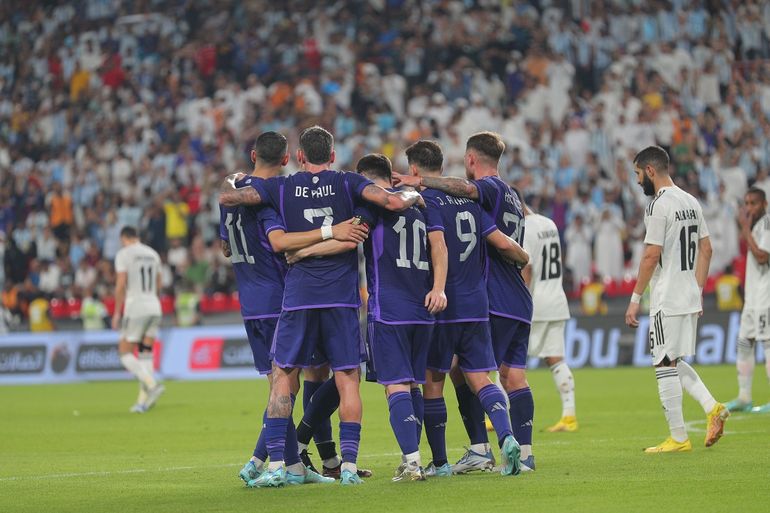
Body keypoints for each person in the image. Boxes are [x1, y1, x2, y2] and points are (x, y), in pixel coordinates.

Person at [219, 125, 424, 486]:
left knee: (283, 377)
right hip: (341, 298)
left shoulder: (280, 188)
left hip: (297, 297)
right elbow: (391, 203)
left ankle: (277, 465)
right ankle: (347, 467)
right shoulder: (348, 183)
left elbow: (231, 199)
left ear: (299, 156)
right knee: (347, 379)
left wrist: (231, 180)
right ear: (332, 155)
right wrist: (411, 192)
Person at [219, 131, 362, 487]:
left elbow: (226, 247)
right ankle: (282, 462)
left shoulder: (234, 195)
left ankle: (306, 460)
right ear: (287, 159)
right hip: (283, 297)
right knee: (311, 378)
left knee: (293, 380)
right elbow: (279, 244)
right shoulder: (271, 197)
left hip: (251, 303)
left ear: (254, 155)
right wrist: (330, 233)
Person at [395, 131, 536, 472]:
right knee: (508, 376)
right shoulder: (510, 195)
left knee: (454, 375)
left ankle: (473, 451)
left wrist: (419, 183)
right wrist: (524, 257)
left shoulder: (480, 191)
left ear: (471, 159)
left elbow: (443, 240)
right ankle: (523, 452)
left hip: (488, 297)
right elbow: (503, 241)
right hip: (514, 297)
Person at [624, 146, 729, 453]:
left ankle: (679, 438)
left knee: (663, 363)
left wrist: (635, 298)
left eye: (638, 174)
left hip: (666, 296)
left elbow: (651, 255)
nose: (637, 180)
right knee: (673, 360)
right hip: (688, 294)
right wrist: (698, 291)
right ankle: (712, 407)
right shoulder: (691, 201)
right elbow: (707, 249)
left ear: (650, 171)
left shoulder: (658, 205)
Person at [351, 152, 448, 481]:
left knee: (395, 386)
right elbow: (439, 247)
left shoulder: (373, 204)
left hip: (388, 308)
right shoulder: (421, 207)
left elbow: (351, 234)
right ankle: (414, 458)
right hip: (423, 307)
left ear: (366, 178)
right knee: (413, 384)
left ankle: (412, 463)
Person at [521, 198, 577, 432]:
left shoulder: (525, 227)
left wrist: (520, 301)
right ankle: (569, 416)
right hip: (557, 299)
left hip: (536, 302)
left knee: (508, 360)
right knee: (555, 359)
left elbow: (527, 267)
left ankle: (497, 413)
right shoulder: (549, 223)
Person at [725, 187, 770, 413]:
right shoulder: (754, 227)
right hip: (753, 297)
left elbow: (762, 257)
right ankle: (744, 397)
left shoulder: (768, 224)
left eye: (754, 203)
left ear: (765, 204)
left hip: (766, 296)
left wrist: (744, 228)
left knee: (768, 344)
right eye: (747, 203)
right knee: (744, 343)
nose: (749, 208)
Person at [112, 226, 165, 413]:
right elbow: (159, 284)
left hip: (136, 307)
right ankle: (143, 402)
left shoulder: (124, 254)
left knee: (124, 353)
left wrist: (117, 312)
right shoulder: (153, 254)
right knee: (145, 353)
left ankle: (152, 384)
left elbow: (120, 285)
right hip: (154, 306)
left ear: (123, 238)